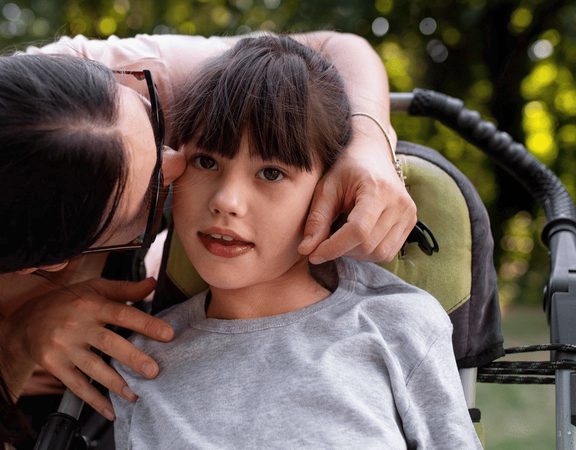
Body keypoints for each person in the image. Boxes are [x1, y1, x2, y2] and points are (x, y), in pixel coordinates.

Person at [0, 32, 415, 449]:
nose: (183, 163)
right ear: (57, 260)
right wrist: (23, 342)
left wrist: (370, 140)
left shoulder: (105, 87)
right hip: (9, 416)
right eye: (154, 185)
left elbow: (335, 51)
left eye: (152, 121)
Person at [110, 35, 480, 448]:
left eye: (271, 173)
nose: (226, 201)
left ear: (331, 190)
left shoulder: (397, 325)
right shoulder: (140, 362)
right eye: (206, 161)